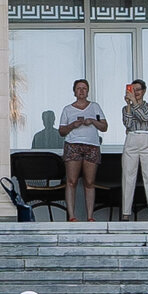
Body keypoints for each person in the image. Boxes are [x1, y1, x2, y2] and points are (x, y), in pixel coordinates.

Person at [58, 80, 108, 221]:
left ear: (88, 91)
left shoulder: (95, 107)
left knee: (90, 182)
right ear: (74, 91)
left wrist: (92, 121)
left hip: (92, 145)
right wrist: (73, 125)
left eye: (84, 88)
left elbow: (104, 127)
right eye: (78, 88)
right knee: (71, 181)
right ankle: (72, 216)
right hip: (73, 145)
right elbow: (61, 131)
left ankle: (90, 216)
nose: (81, 91)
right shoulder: (68, 109)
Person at [117, 80, 148, 220]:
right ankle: (125, 213)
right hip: (131, 138)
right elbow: (128, 124)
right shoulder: (125, 108)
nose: (135, 92)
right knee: (128, 176)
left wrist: (135, 103)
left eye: (138, 90)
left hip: (146, 138)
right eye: (133, 90)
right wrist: (128, 105)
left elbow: (145, 117)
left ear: (144, 91)